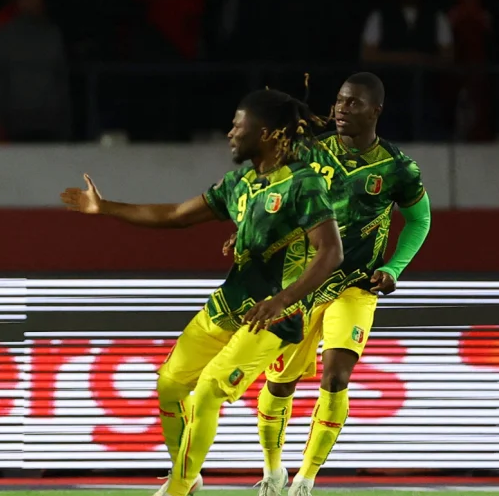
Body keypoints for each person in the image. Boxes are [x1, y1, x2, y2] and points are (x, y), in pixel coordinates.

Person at [60, 89, 345, 496]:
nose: (229, 133)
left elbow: (330, 252)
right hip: (231, 303)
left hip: (274, 316)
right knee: (170, 384)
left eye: (236, 124)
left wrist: (283, 300)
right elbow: (176, 215)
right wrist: (106, 207)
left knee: (210, 388)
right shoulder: (239, 183)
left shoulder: (304, 183)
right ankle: (188, 476)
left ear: (264, 133)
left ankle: (177, 488)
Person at [251, 73, 430, 496]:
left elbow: (420, 219)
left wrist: (395, 267)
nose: (341, 110)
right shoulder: (310, 153)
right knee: (280, 382)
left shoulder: (398, 167)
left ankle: (306, 479)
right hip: (303, 282)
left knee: (335, 376)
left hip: (356, 285)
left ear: (376, 111)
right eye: (339, 102)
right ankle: (273, 471)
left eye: (353, 103)